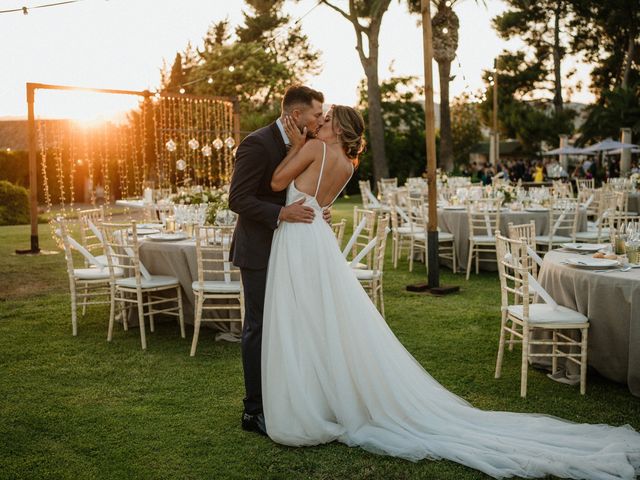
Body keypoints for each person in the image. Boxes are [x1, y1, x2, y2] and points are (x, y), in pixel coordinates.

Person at [260, 104, 640, 479]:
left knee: (300, 318)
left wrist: (296, 144)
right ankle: (324, 396)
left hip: (298, 239)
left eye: (325, 121)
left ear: (339, 129)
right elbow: (316, 199)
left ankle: (309, 404)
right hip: (317, 241)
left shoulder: (312, 149)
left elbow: (277, 183)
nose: (318, 124)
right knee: (319, 318)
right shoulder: (347, 163)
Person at [228, 84, 330, 436]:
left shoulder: (307, 146)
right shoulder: (257, 143)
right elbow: (238, 199)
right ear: (297, 114)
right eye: (317, 114)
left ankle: (285, 398)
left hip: (291, 250)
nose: (322, 119)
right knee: (258, 326)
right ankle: (253, 410)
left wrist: (314, 211)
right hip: (258, 250)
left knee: (289, 324)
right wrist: (281, 213)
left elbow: (298, 189)